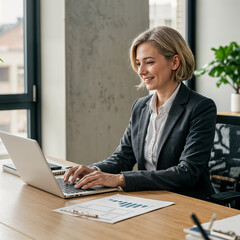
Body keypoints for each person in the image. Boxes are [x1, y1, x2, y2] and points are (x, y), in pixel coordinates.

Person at [63, 26, 217, 200]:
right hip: (149, 198)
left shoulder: (200, 108)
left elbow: (187, 172)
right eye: (138, 63)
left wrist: (121, 179)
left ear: (174, 62)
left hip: (187, 201)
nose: (141, 71)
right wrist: (94, 170)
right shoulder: (141, 106)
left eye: (149, 62)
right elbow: (123, 157)